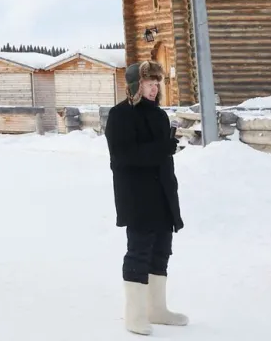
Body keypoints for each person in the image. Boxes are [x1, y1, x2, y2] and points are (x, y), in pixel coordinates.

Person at [105, 60, 186, 335]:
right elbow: (122, 157)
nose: (154, 89)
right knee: (139, 252)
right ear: (135, 86)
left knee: (162, 250)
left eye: (156, 84)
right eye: (149, 84)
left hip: (163, 194)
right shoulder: (121, 115)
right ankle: (135, 315)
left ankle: (157, 309)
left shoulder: (159, 115)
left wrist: (166, 151)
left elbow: (161, 156)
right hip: (137, 196)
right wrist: (160, 148)